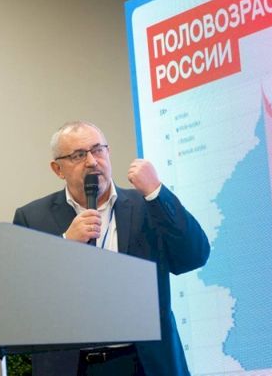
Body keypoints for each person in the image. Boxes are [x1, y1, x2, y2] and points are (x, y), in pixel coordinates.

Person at [13, 121, 210, 376]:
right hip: (72, 367)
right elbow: (21, 298)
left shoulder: (146, 205)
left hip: (143, 363)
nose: (92, 161)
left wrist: (157, 193)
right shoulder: (32, 218)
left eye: (98, 150)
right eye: (78, 155)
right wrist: (64, 246)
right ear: (57, 169)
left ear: (109, 153)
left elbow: (194, 256)